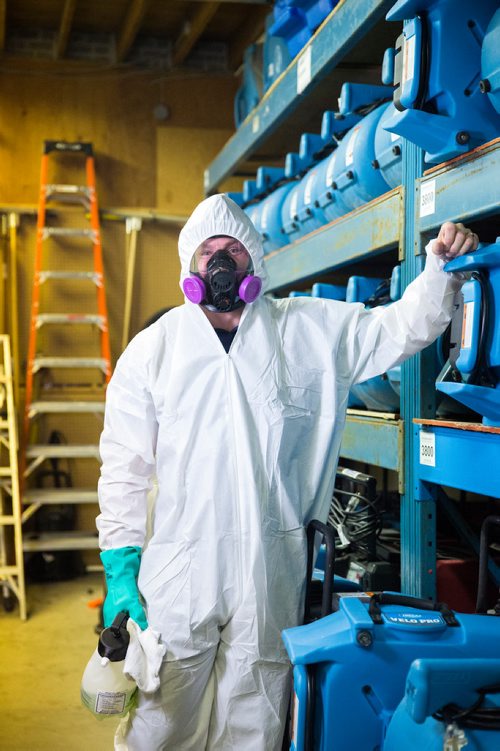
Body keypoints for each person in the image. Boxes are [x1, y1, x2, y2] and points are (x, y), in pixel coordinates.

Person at [96, 194, 478, 751]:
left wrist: (440, 268)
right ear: (190, 267)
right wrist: (120, 573)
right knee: (159, 717)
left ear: (254, 261)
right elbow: (123, 471)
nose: (221, 263)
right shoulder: (154, 351)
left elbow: (397, 328)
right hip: (178, 570)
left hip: (270, 569)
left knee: (254, 720)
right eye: (209, 252)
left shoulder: (307, 330)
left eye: (233, 250)